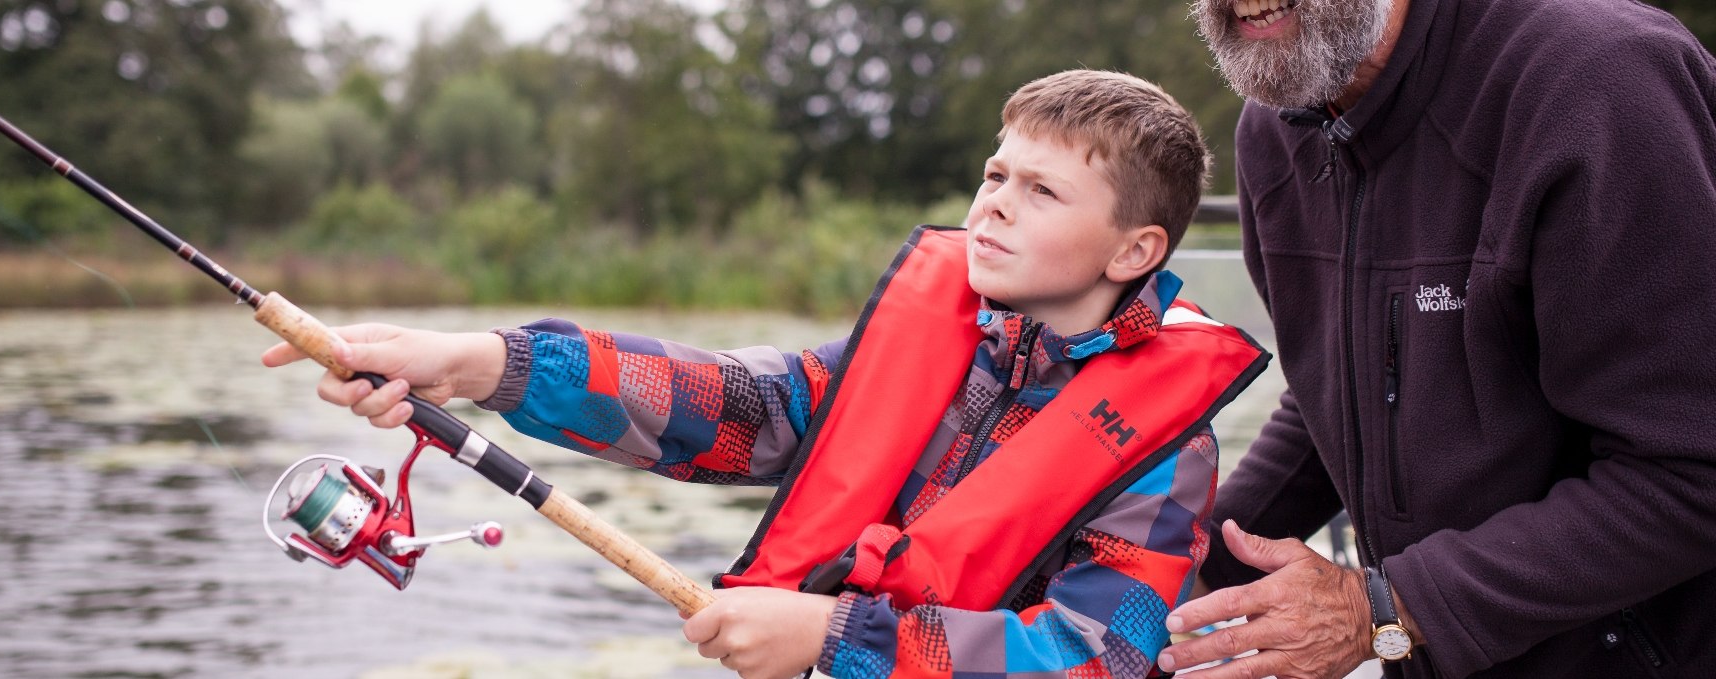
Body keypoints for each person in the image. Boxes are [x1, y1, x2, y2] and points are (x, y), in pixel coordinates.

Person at [263, 70, 1271, 679]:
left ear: (1133, 251)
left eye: (1041, 190)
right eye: (994, 174)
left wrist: (835, 633)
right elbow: (737, 406)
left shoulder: (1163, 451)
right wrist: (484, 362)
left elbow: (1099, 656)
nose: (996, 204)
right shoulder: (935, 346)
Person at [1155, 0, 1716, 676]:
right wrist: (1179, 562)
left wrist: (1384, 610)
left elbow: (1691, 467)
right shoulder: (1277, 132)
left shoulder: (1599, 80)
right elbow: (1337, 390)